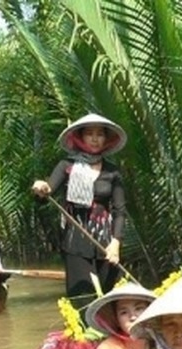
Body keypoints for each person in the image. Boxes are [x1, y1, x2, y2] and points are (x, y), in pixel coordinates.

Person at [31, 113, 127, 301]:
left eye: (100, 134)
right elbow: (47, 192)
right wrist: (41, 188)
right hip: (75, 239)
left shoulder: (112, 172)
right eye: (89, 133)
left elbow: (120, 211)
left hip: (105, 241)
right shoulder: (67, 165)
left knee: (111, 297)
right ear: (80, 137)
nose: (94, 138)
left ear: (106, 139)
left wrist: (116, 242)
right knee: (81, 297)